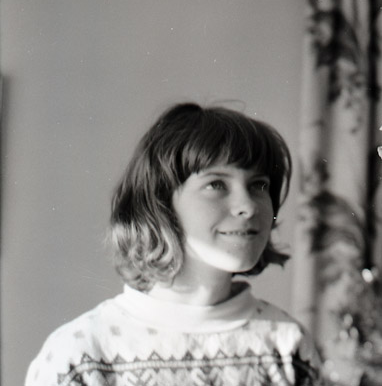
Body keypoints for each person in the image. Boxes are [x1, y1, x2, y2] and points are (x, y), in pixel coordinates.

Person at [26, 102, 325, 386]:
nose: (248, 206)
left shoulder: (288, 345)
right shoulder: (81, 355)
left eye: (259, 185)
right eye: (216, 184)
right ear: (160, 204)